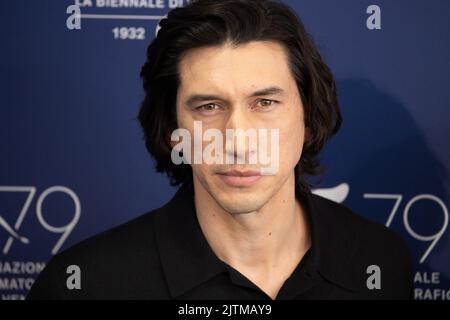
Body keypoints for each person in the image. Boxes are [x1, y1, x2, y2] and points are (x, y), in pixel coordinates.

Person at [27, 0, 413, 300]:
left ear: (308, 122)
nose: (238, 141)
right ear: (171, 132)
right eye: (208, 107)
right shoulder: (85, 285)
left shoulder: (378, 261)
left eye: (265, 103)